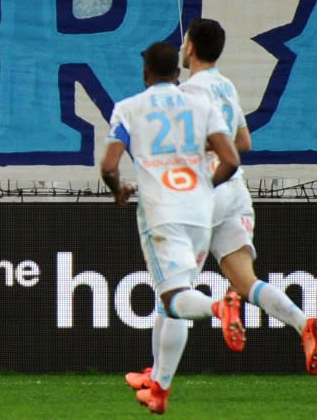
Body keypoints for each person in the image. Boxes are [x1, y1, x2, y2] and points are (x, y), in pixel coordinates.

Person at [124, 20, 317, 401]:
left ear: (190, 48)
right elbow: (244, 142)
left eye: (185, 41)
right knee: (246, 282)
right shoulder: (226, 85)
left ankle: (159, 379)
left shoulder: (185, 94)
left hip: (204, 194)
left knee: (174, 293)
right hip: (234, 191)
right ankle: (303, 323)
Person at [100, 41, 244, 415]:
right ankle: (160, 389)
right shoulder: (202, 104)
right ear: (177, 75)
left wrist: (119, 191)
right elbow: (231, 158)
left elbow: (109, 165)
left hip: (162, 212)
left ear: (146, 73)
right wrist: (204, 188)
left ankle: (218, 307)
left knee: (173, 298)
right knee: (177, 294)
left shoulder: (128, 108)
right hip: (200, 212)